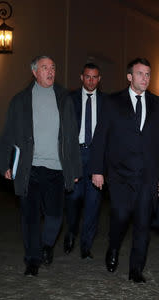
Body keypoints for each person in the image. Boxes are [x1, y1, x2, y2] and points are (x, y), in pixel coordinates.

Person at [0, 55, 82, 276]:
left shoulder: (64, 98)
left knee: (54, 217)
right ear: (35, 72)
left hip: (57, 169)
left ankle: (45, 246)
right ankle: (32, 260)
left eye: (53, 67)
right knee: (30, 217)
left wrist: (75, 169)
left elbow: (71, 136)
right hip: (29, 168)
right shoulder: (20, 100)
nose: (50, 71)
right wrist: (4, 163)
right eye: (45, 68)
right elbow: (8, 134)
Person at [90, 58, 159, 283]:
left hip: (148, 174)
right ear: (129, 77)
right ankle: (113, 246)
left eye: (148, 74)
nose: (145, 78)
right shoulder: (113, 102)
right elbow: (100, 137)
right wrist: (97, 170)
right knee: (121, 216)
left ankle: (136, 270)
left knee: (143, 222)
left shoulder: (157, 102)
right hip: (120, 174)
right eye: (140, 74)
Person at [63, 63, 107, 260]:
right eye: (87, 77)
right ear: (81, 77)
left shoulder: (107, 102)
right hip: (76, 155)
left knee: (93, 203)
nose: (91, 80)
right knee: (73, 198)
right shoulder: (69, 99)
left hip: (97, 156)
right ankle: (71, 231)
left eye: (95, 77)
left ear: (99, 79)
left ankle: (86, 246)